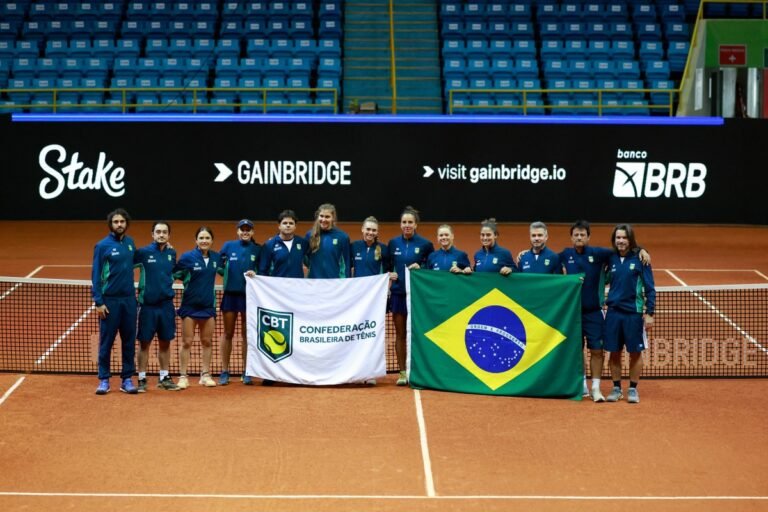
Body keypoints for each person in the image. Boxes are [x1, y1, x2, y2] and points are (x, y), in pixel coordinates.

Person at [560, 220, 650, 402]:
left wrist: (642, 249)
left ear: (588, 237)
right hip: (589, 313)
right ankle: (595, 386)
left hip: (614, 312)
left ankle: (615, 388)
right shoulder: (568, 255)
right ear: (571, 237)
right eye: (576, 235)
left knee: (609, 352)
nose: (579, 237)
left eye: (582, 235)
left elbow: (624, 250)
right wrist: (525, 253)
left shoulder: (606, 254)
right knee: (593, 351)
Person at [604, 224, 656, 404]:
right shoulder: (610, 258)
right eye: (618, 238)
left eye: (624, 238)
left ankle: (633, 388)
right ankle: (616, 388)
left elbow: (650, 288)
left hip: (633, 314)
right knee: (614, 352)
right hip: (612, 313)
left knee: (635, 353)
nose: (621, 241)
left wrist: (650, 312)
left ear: (630, 239)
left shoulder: (641, 259)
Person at [91, 208, 139, 395]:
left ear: (126, 224)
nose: (119, 224)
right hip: (109, 301)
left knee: (128, 341)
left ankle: (127, 378)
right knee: (107, 341)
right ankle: (104, 379)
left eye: (122, 221)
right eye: (116, 222)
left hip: (129, 301)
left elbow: (139, 260)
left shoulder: (130, 243)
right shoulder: (102, 246)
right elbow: (95, 275)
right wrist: (98, 301)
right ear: (111, 224)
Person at [387, 206, 434, 385]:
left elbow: (431, 267)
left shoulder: (425, 245)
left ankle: (420, 371)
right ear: (400, 224)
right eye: (404, 222)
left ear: (416, 225)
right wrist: (390, 273)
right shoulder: (393, 244)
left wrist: (421, 269)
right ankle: (402, 372)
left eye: (410, 222)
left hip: (417, 297)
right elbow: (388, 266)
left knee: (418, 333)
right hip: (398, 294)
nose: (407, 225)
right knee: (400, 333)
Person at [134, 221, 179, 392]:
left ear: (169, 235)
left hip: (166, 305)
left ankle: (164, 377)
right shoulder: (143, 253)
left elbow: (174, 272)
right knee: (144, 343)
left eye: (164, 232)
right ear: (152, 234)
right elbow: (125, 266)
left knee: (165, 343)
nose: (161, 234)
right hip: (148, 306)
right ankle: (142, 378)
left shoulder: (172, 253)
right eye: (158, 232)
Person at [174, 226, 220, 389]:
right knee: (187, 342)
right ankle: (183, 376)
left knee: (207, 341)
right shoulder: (188, 257)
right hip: (190, 306)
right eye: (201, 238)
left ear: (212, 241)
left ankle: (205, 375)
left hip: (208, 306)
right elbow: (174, 273)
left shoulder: (216, 258)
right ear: (196, 240)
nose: (204, 241)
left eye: (207, 238)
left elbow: (227, 271)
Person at [218, 219, 261, 386]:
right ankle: (224, 371)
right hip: (230, 295)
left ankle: (246, 371)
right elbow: (219, 265)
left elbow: (262, 269)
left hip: (249, 297)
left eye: (248, 230)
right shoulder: (228, 246)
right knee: (228, 333)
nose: (245, 232)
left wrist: (254, 273)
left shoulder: (257, 249)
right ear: (237, 231)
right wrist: (227, 274)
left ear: (252, 232)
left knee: (246, 335)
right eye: (242, 229)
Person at [306, 203, 351, 279]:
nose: (323, 220)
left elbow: (346, 262)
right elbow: (306, 259)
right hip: (313, 280)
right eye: (321, 216)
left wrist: (345, 282)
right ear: (318, 216)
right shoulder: (310, 235)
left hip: (334, 282)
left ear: (333, 218)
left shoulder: (343, 237)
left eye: (327, 217)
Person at [259, 210, 307, 278]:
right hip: (278, 286)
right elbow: (263, 270)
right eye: (285, 223)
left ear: (295, 226)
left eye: (291, 223)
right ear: (279, 226)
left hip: (297, 285)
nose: (288, 225)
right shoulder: (269, 245)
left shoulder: (302, 242)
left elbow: (311, 261)